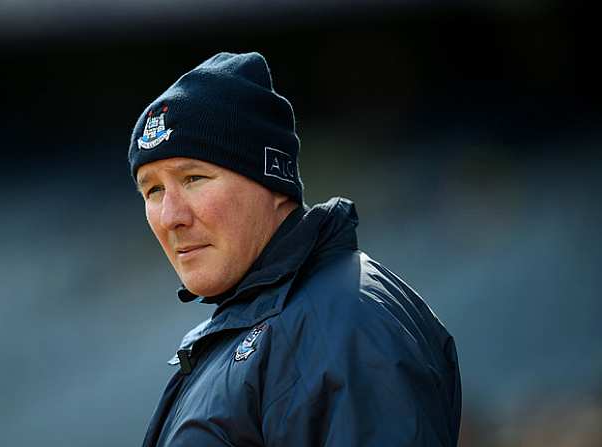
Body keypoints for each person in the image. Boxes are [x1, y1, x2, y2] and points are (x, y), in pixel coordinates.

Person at [128, 51, 461, 447]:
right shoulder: (263, 327)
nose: (170, 216)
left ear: (271, 181)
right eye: (153, 189)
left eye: (195, 178)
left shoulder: (346, 324)